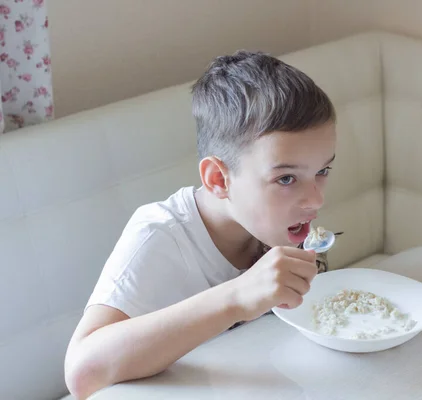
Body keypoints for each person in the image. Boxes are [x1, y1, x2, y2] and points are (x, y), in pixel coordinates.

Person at [63, 50, 337, 399]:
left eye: (322, 171)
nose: (316, 200)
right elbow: (82, 372)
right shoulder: (160, 236)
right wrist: (236, 297)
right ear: (219, 180)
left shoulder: (276, 223)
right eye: (286, 179)